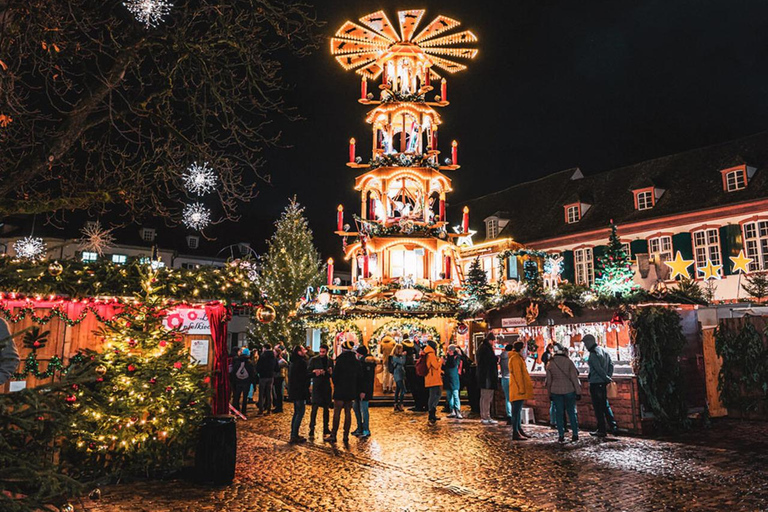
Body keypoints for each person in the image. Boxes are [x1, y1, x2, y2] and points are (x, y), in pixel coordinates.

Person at [325, 340, 362, 444]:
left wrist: (334, 379)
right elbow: (359, 377)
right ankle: (345, 435)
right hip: (350, 390)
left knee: (337, 412)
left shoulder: (340, 360)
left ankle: (333, 434)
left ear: (343, 349)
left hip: (340, 390)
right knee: (348, 413)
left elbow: (335, 377)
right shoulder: (356, 361)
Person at [583, 334, 619, 437]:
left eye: (585, 343)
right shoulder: (604, 351)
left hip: (596, 383)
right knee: (605, 405)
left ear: (589, 342)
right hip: (603, 383)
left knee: (598, 407)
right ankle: (613, 427)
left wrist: (606, 378)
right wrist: (608, 376)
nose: (585, 346)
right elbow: (611, 365)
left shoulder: (593, 354)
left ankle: (602, 429)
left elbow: (598, 369)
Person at [545, 343, 581, 443]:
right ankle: (575, 433)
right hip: (569, 390)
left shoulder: (550, 363)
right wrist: (578, 391)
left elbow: (549, 381)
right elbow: (574, 378)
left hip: (555, 391)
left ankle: (561, 435)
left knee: (559, 414)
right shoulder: (569, 362)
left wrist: (549, 393)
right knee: (572, 412)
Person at [508, 340, 534, 441]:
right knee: (516, 411)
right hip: (517, 389)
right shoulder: (515, 359)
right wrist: (522, 388)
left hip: (517, 388)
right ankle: (515, 431)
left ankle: (519, 429)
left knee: (518, 411)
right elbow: (518, 375)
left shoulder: (517, 358)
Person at [308, 344, 333, 437]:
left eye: (323, 352)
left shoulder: (330, 360)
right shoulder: (314, 359)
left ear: (327, 352)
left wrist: (329, 372)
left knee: (326, 408)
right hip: (317, 386)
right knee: (314, 408)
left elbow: (331, 373)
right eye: (320, 351)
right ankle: (312, 427)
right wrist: (315, 372)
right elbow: (309, 371)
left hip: (326, 386)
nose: (321, 353)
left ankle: (326, 427)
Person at [353, 345, 376, 438]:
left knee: (363, 409)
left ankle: (365, 429)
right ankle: (360, 428)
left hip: (363, 391)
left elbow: (366, 379)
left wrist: (363, 391)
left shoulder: (365, 364)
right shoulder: (363, 363)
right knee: (357, 408)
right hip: (359, 390)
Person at [288, 345, 310, 444]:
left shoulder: (293, 362)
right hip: (300, 391)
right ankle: (294, 435)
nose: (305, 350)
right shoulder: (301, 363)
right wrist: (314, 373)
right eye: (303, 349)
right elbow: (304, 376)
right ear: (299, 352)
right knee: (300, 412)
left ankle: (294, 433)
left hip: (294, 390)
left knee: (296, 413)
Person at [476, 333, 499, 425]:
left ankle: (485, 415)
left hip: (485, 377)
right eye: (493, 341)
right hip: (487, 377)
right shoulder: (486, 349)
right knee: (486, 397)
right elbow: (489, 361)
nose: (494, 343)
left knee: (485, 397)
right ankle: (485, 416)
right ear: (490, 340)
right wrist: (496, 359)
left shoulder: (483, 348)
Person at [230, 347, 256, 418]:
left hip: (238, 381)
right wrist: (253, 383)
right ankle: (244, 411)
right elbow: (252, 374)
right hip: (246, 382)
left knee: (237, 396)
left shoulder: (237, 361)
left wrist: (234, 380)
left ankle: (236, 410)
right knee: (245, 397)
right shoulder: (249, 363)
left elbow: (234, 371)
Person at [423, 339, 442, 424]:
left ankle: (432, 412)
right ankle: (431, 412)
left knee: (434, 395)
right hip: (433, 378)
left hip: (431, 378)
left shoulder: (428, 354)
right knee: (435, 395)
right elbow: (436, 366)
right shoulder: (431, 355)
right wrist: (440, 361)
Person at [255, 344, 278, 415]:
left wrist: (259, 372)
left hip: (263, 376)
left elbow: (258, 367)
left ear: (264, 348)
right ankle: (269, 409)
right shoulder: (273, 356)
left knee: (261, 393)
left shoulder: (262, 356)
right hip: (270, 376)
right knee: (269, 392)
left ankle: (261, 410)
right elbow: (277, 367)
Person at [443, 344, 462, 419]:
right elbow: (445, 367)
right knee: (449, 395)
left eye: (450, 350)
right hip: (448, 378)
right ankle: (452, 410)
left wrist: (451, 357)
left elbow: (454, 364)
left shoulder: (456, 357)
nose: (448, 351)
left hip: (454, 379)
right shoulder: (447, 357)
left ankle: (457, 410)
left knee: (455, 394)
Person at [499, 344, 514, 425]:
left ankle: (509, 416)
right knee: (514, 399)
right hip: (511, 378)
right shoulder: (512, 357)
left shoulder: (502, 357)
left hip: (504, 378)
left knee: (507, 398)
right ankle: (514, 415)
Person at [273, 345, 288, 413]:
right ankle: (278, 406)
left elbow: (283, 365)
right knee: (277, 392)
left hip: (279, 377)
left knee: (279, 392)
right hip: (278, 376)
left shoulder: (281, 361)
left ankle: (279, 407)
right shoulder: (278, 360)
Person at [391, 344, 406, 412]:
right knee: (403, 389)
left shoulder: (397, 357)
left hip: (400, 374)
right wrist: (404, 356)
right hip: (398, 374)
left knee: (398, 389)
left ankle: (396, 404)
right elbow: (402, 362)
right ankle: (400, 404)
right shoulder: (395, 357)